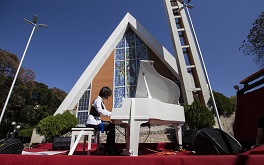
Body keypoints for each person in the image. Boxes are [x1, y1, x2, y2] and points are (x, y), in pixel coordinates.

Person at [86, 86, 117, 155]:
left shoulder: (100, 101)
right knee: (111, 126)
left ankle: (109, 147)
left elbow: (104, 111)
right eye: (107, 95)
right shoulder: (97, 100)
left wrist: (112, 114)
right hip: (92, 123)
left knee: (110, 125)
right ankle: (109, 148)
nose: (107, 97)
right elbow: (100, 111)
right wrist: (111, 114)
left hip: (96, 121)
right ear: (105, 94)